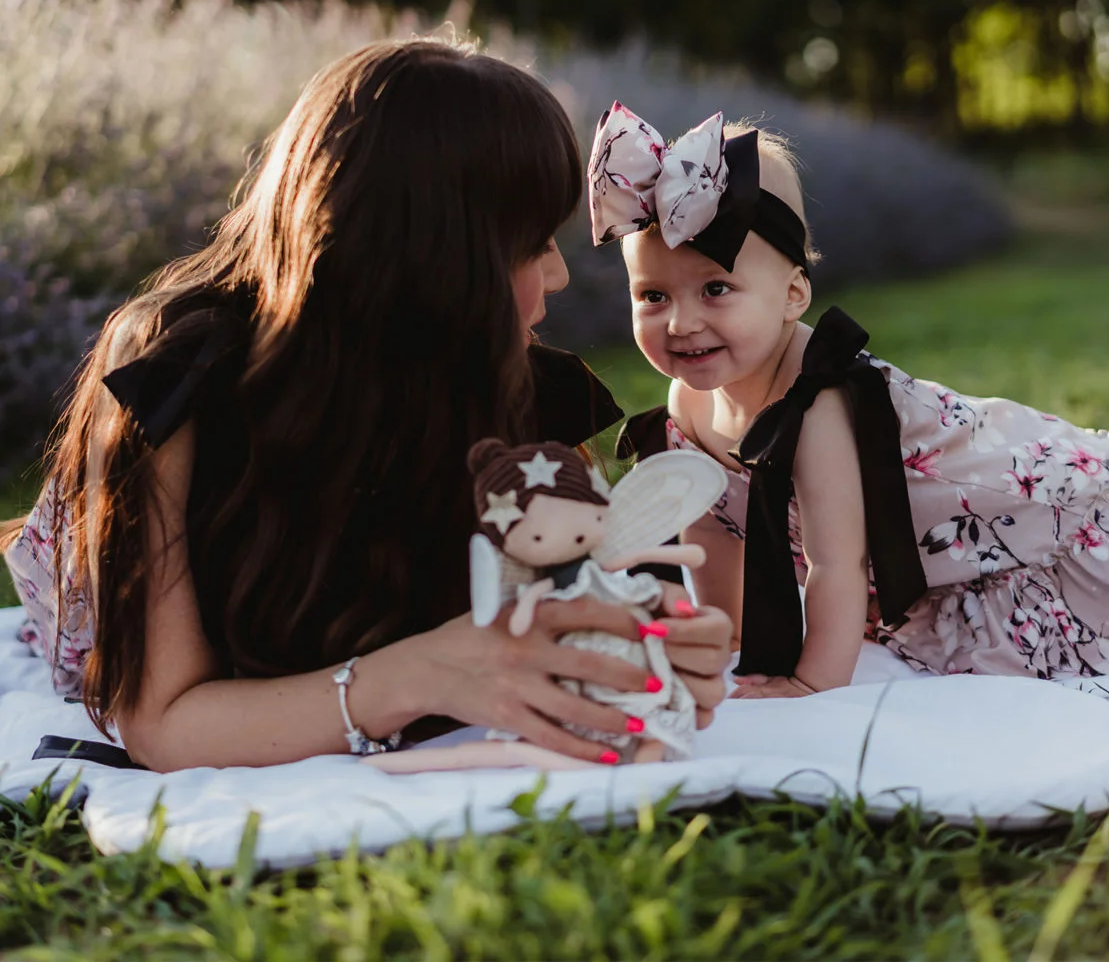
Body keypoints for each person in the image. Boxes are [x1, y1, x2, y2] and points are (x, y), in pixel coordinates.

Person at [0, 43, 733, 770]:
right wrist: (413, 676)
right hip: (92, 580)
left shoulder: (546, 399)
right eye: (531, 242)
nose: (561, 275)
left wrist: (657, 648)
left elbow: (594, 592)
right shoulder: (178, 376)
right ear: (434, 262)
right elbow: (163, 722)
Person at [590, 101, 1109, 697]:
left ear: (793, 295)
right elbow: (717, 529)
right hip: (911, 554)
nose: (680, 324)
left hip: (1020, 526)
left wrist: (812, 682)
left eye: (716, 288)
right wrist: (728, 640)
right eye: (653, 297)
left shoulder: (820, 401)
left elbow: (836, 564)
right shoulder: (687, 404)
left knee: (1104, 639)